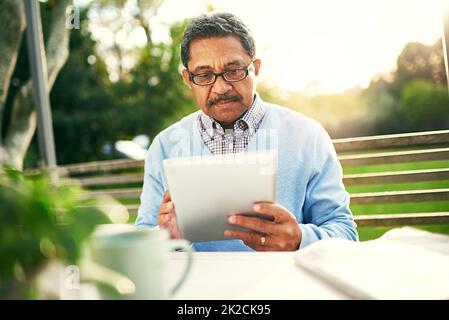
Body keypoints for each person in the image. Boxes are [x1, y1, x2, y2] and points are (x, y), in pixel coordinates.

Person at [136, 12, 358, 251]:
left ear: (256, 68)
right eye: (204, 75)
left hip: (283, 284)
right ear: (188, 79)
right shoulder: (164, 146)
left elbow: (345, 232)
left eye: (233, 71)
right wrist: (164, 238)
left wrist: (299, 239)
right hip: (198, 286)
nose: (221, 87)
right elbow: (142, 238)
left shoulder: (308, 137)